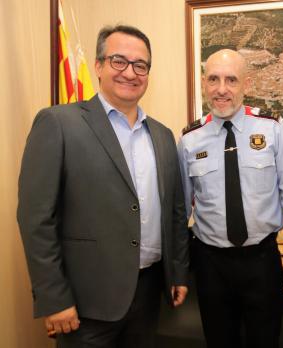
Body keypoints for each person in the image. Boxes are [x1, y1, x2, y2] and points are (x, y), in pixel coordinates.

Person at [17, 25, 189, 347]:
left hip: (149, 293)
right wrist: (54, 297)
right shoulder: (58, 123)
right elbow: (36, 219)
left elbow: (175, 213)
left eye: (141, 65)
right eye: (118, 61)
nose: (130, 72)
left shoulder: (163, 135)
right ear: (98, 66)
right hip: (84, 305)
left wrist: (177, 273)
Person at [177, 49, 283, 348]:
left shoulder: (272, 129)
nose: (222, 89)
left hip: (261, 260)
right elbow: (180, 209)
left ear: (245, 85)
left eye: (231, 80)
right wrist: (177, 268)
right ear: (204, 84)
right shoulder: (189, 139)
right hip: (210, 263)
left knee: (266, 341)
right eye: (214, 79)